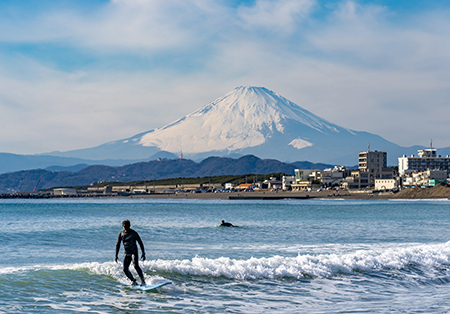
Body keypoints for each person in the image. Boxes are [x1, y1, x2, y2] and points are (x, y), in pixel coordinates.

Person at [115, 220, 146, 286]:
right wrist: (116, 255)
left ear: (129, 226)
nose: (125, 227)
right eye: (124, 226)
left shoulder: (133, 233)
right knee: (125, 269)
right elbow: (118, 244)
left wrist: (143, 253)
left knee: (136, 266)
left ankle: (143, 281)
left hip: (134, 252)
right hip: (126, 253)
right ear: (122, 226)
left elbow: (140, 243)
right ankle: (133, 280)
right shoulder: (121, 234)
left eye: (127, 226)